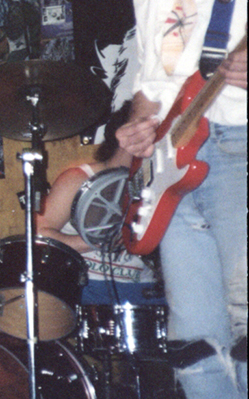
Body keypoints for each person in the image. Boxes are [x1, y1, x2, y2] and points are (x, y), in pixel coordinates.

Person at [95, 0, 246, 399]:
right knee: (193, 346)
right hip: (172, 172)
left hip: (240, 148)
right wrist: (135, 128)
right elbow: (151, 89)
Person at [37, 102, 161, 307]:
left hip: (142, 292)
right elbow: (40, 235)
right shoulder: (78, 178)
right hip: (87, 289)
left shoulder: (160, 184)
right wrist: (97, 240)